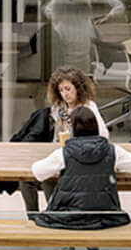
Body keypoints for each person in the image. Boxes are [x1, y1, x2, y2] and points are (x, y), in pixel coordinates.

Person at [29, 104, 131, 250]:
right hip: (105, 215)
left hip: (69, 218)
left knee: (58, 207)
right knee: (93, 206)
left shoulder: (64, 152)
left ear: (73, 129)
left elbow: (37, 172)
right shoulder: (111, 150)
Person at [16, 67, 106, 217]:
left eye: (68, 89)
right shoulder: (58, 108)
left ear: (78, 88)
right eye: (61, 90)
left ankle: (54, 213)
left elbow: (103, 136)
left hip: (79, 156)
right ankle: (33, 217)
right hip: (59, 153)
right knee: (26, 179)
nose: (65, 93)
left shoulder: (88, 108)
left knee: (48, 178)